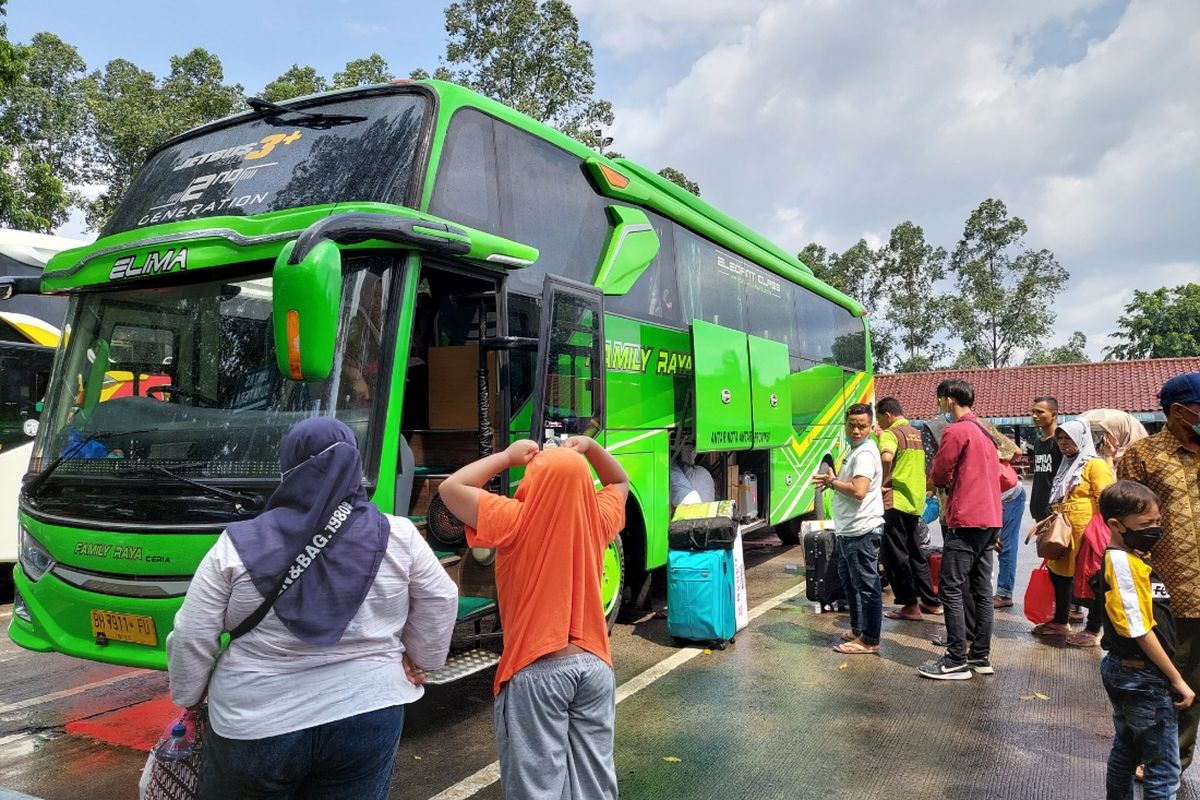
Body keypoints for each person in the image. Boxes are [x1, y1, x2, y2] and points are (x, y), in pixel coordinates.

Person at [167, 418, 458, 799]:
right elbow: (442, 597)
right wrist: (421, 659)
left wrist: (189, 699)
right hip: (368, 711)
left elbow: (192, 634)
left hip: (256, 720)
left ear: (289, 471)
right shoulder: (399, 535)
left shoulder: (237, 544)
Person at [438, 436, 629, 800]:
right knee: (595, 787)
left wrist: (507, 457)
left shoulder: (513, 518)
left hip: (537, 668)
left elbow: (451, 489)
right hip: (595, 667)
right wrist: (590, 448)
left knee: (538, 791)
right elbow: (618, 482)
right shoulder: (597, 522)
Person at [1119, 373, 1200, 772]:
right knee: (1173, 679)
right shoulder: (1143, 456)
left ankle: (1173, 757)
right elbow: (1124, 520)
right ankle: (1163, 757)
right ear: (1179, 411)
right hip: (1172, 589)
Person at [1094, 480, 1194, 799]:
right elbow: (1139, 630)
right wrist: (1177, 679)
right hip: (1142, 676)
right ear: (1115, 525)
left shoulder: (1132, 557)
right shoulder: (1121, 564)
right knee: (1163, 770)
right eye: (1146, 524)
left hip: (1132, 673)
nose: (1155, 529)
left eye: (1157, 522)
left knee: (1126, 749)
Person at [922, 379, 1002, 680]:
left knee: (951, 587)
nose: (940, 406)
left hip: (966, 517)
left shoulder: (956, 431)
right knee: (981, 589)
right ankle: (980, 655)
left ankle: (956, 658)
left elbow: (939, 472)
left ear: (949, 400)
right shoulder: (984, 431)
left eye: (940, 401)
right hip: (991, 518)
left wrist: (940, 481)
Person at [1032, 420, 1115, 641]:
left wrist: (1103, 532)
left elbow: (1107, 499)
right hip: (1063, 532)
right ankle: (1060, 621)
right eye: (1060, 438)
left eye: (1068, 438)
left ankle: (1093, 629)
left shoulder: (1095, 465)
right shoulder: (1067, 463)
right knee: (1059, 575)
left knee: (1091, 578)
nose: (1063, 443)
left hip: (1087, 533)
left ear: (1081, 438)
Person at [812, 403, 885, 656]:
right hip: (849, 531)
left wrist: (832, 482)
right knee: (851, 583)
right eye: (852, 425)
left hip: (861, 531)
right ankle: (858, 629)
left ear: (871, 426)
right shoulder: (855, 450)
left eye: (862, 426)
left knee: (866, 585)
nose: (856, 430)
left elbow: (859, 490)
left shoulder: (864, 453)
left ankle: (870, 640)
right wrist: (833, 483)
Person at [874, 397, 939, 622]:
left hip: (896, 500)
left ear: (888, 415)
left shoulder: (891, 434)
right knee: (916, 551)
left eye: (880, 419)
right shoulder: (916, 433)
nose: (880, 424)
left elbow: (886, 456)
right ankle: (930, 601)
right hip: (915, 500)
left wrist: (883, 480)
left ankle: (909, 606)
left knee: (895, 555)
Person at [1029, 396, 1064, 523]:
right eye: (1033, 412)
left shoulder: (1060, 442)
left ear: (1053, 414)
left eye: (1040, 412)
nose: (1034, 416)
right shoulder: (1038, 443)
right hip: (1039, 508)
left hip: (1054, 509)